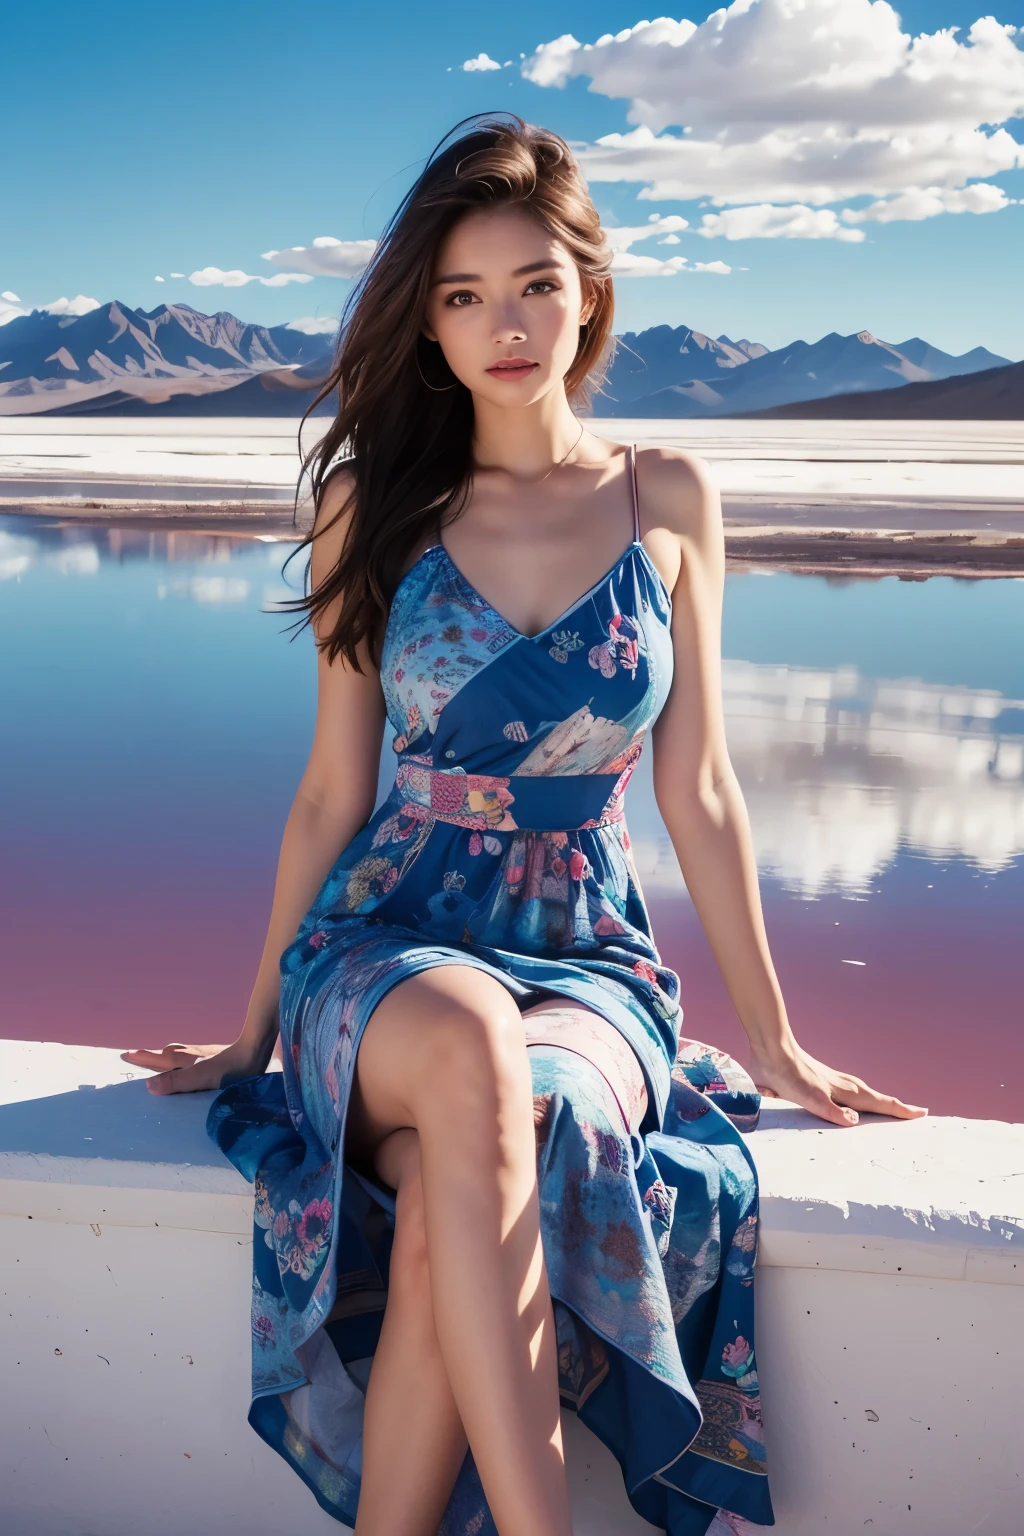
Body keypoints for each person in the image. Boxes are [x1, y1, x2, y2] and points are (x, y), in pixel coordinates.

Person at [123, 115, 925, 1536]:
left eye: (535, 285)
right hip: (389, 942)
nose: (507, 324)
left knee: (470, 1172)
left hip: (588, 954)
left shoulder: (669, 497)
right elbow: (329, 790)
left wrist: (781, 1039)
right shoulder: (376, 509)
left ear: (590, 293)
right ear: (426, 327)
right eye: (464, 295)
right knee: (478, 1052)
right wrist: (251, 1032)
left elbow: (703, 788)